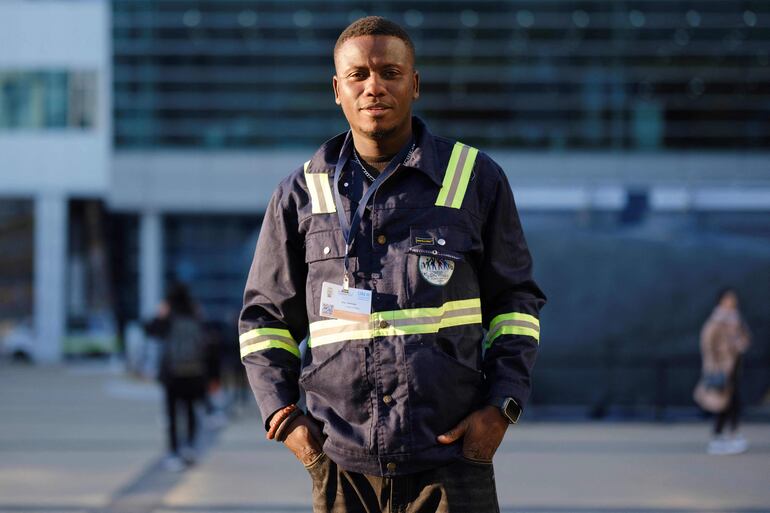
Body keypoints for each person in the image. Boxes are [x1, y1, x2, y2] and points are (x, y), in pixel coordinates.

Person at [239, 16, 546, 512]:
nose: (373, 87)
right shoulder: (299, 196)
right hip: (340, 462)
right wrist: (286, 419)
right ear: (337, 90)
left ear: (416, 84)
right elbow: (263, 322)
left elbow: (516, 305)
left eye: (390, 72)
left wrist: (501, 408)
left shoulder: (475, 180)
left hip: (450, 458)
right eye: (358, 75)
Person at [145, 283, 209, 471]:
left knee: (172, 413)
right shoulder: (194, 311)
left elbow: (150, 330)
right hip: (194, 371)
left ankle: (173, 452)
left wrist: (160, 314)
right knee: (190, 409)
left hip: (172, 373)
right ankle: (189, 446)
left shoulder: (169, 315)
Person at [697, 287, 751, 455]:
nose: (730, 302)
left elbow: (746, 338)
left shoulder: (737, 320)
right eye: (727, 299)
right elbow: (707, 344)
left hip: (734, 367)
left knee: (732, 403)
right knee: (725, 403)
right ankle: (720, 436)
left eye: (732, 299)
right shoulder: (716, 320)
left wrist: (740, 343)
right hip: (721, 368)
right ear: (720, 301)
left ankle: (728, 435)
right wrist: (712, 365)